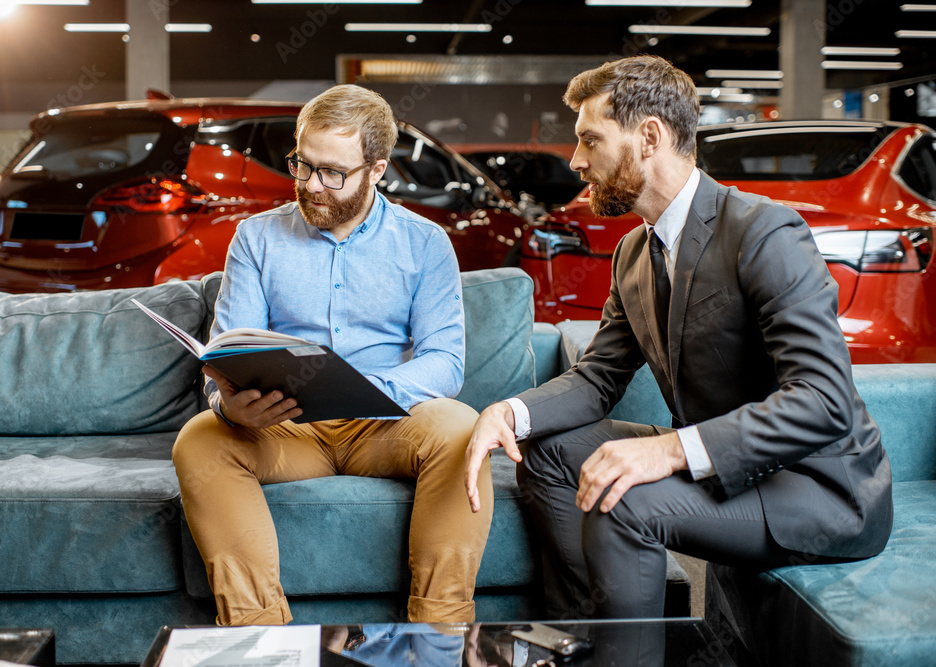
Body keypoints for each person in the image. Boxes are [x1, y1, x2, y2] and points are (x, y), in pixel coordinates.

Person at [463, 55, 893, 620]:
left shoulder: (764, 231)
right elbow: (597, 379)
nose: (576, 161)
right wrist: (508, 413)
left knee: (622, 502)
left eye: (590, 140)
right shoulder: (635, 253)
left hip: (815, 486)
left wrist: (665, 450)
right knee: (547, 450)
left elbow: (823, 403)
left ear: (649, 136)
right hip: (724, 466)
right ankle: (582, 636)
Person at [173, 84, 492, 626]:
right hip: (287, 427)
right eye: (303, 165)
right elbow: (227, 351)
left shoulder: (425, 242)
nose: (312, 185)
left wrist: (368, 391)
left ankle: (440, 634)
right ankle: (261, 641)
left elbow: (445, 361)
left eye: (333, 173)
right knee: (199, 441)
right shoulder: (256, 238)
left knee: (464, 429)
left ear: (377, 170)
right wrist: (228, 406)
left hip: (387, 424)